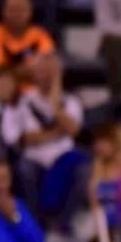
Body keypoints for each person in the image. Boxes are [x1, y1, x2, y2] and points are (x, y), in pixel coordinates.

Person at [18, 53, 85, 225]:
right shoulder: (24, 101)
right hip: (34, 158)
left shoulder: (70, 101)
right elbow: (25, 138)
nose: (46, 76)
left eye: (51, 72)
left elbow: (73, 130)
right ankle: (35, 224)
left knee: (82, 169)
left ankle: (64, 225)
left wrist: (56, 105)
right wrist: (56, 132)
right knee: (25, 170)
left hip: (63, 157)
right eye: (42, 71)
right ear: (34, 74)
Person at [0, 0, 56, 85]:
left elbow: (45, 72)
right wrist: (27, 70)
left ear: (30, 12)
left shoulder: (41, 36)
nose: (17, 14)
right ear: (3, 11)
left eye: (21, 10)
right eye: (12, 9)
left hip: (32, 94)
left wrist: (10, 70)